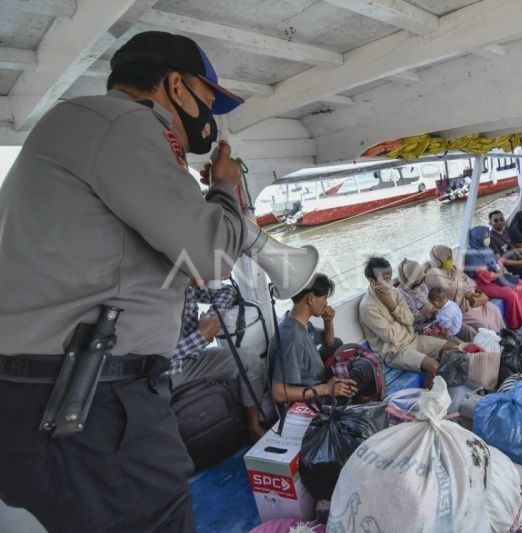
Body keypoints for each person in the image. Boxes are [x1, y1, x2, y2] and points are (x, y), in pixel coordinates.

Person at [0, 30, 247, 532]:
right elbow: (213, 255)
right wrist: (225, 186)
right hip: (87, 402)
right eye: (208, 98)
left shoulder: (80, 127)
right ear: (176, 86)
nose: (211, 117)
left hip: (50, 396)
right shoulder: (125, 125)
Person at [169, 280, 268, 440]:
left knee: (251, 363)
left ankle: (253, 426)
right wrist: (200, 337)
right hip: (162, 373)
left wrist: (211, 318)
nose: (202, 281)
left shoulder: (188, 283)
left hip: (191, 357)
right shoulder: (154, 296)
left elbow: (228, 291)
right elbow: (153, 360)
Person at [359, 257, 458, 387]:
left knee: (453, 348)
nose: (388, 282)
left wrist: (393, 307)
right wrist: (402, 321)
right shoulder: (368, 306)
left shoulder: (395, 293)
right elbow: (389, 335)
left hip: (413, 339)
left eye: (389, 278)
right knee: (433, 366)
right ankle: (429, 400)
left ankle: (442, 387)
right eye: (384, 279)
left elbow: (410, 320)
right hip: (394, 351)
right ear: (371, 280)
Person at [268, 274, 358, 405]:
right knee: (360, 382)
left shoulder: (299, 322)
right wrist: (326, 389)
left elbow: (329, 342)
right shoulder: (292, 338)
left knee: (338, 344)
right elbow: (279, 393)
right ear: (310, 299)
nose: (326, 303)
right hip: (309, 400)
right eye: (324, 298)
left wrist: (328, 321)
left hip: (315, 381)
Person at [464, 227, 522, 329]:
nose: (487, 238)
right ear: (477, 239)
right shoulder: (474, 254)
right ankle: (514, 325)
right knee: (511, 295)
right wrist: (497, 274)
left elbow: (497, 260)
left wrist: (501, 268)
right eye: (485, 237)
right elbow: (483, 274)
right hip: (482, 282)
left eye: (488, 236)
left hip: (496, 275)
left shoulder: (486, 248)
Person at [426, 245, 506, 331]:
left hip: (470, 299)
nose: (450, 259)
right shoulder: (433, 275)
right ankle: (493, 341)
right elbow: (450, 291)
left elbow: (469, 281)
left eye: (450, 256)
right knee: (483, 322)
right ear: (439, 260)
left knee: (494, 310)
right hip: (458, 307)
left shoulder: (453, 268)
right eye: (447, 258)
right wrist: (464, 286)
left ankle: (503, 335)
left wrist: (467, 288)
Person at [396, 258, 441, 334]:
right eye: (416, 281)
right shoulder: (400, 294)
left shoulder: (422, 285)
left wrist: (434, 307)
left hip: (433, 318)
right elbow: (406, 319)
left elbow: (430, 299)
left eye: (420, 279)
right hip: (418, 327)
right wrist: (422, 312)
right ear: (407, 279)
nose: (419, 282)